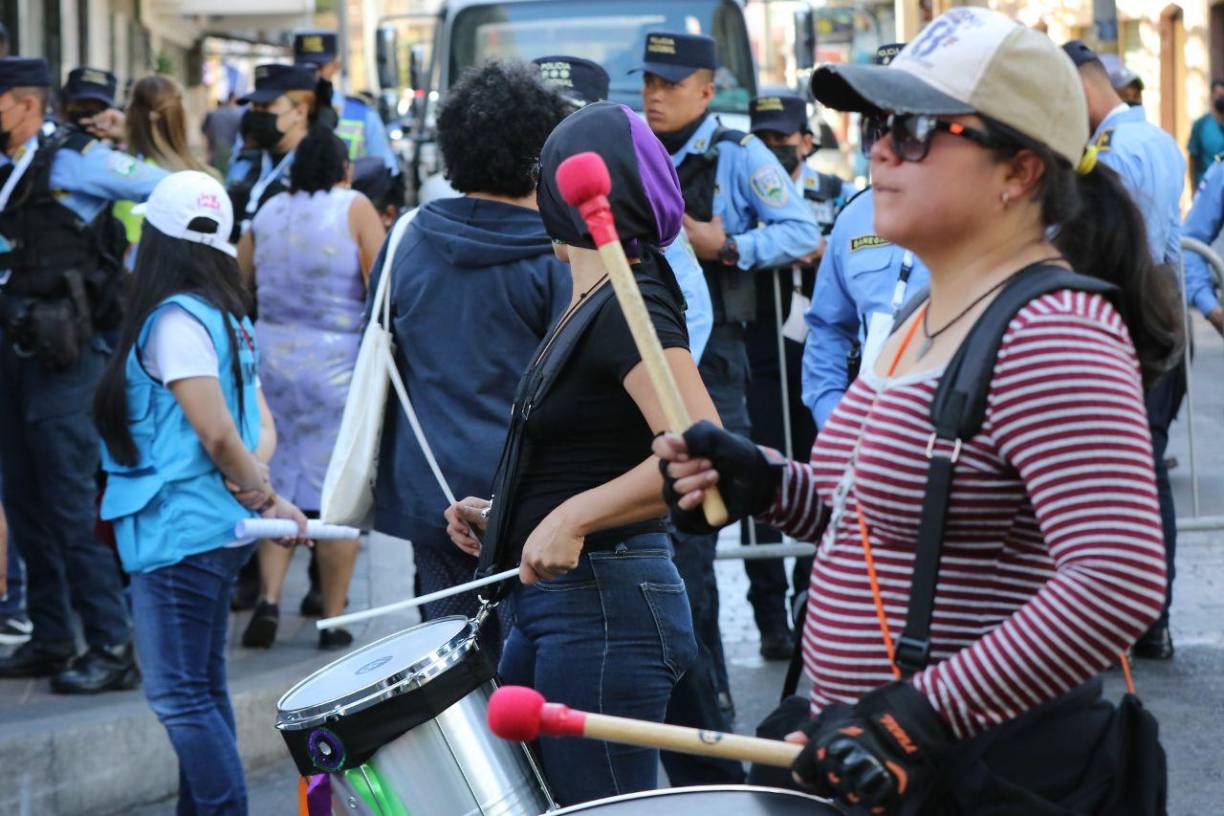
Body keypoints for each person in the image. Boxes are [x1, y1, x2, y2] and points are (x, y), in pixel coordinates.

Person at [656, 10, 1174, 812]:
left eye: (919, 127)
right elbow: (863, 511)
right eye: (877, 123)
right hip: (876, 765)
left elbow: (1117, 580)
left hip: (977, 775)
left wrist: (914, 720)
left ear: (1020, 172)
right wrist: (763, 482)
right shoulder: (925, 314)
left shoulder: (1052, 329)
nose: (880, 147)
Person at [445, 99, 710, 807]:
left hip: (605, 608)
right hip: (561, 608)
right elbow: (593, 446)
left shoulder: (631, 297)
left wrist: (576, 518)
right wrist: (508, 511)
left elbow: (705, 455)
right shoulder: (592, 297)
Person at [95, 170, 308, 816]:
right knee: (201, 688)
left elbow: (219, 434)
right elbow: (257, 429)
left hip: (178, 531)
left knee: (180, 696)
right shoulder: (226, 317)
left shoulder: (174, 320)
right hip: (209, 529)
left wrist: (256, 487)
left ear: (155, 242)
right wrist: (262, 492)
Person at [637, 32, 822, 775]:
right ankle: (693, 721)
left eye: (671, 83)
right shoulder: (635, 148)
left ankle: (710, 730)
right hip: (649, 367)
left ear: (708, 90)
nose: (655, 94)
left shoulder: (741, 155)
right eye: (648, 81)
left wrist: (726, 243)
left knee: (695, 545)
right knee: (668, 559)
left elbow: (801, 229)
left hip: (719, 369)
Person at [370, 61, 570, 642]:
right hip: (535, 503)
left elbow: (381, 348)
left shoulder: (406, 239)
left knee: (455, 663)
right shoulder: (557, 257)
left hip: (430, 493)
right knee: (535, 671)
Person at [0, 57, 166, 692]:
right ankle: (50, 636)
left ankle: (111, 645)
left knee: (70, 504)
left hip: (66, 358)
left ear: (23, 103)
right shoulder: (11, 164)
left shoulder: (78, 158)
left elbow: (170, 188)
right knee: (24, 498)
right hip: (13, 354)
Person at [236, 126, 386, 651]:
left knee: (277, 482)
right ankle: (335, 616)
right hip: (336, 365)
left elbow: (241, 278)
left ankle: (269, 601)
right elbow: (381, 283)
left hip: (274, 361)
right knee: (335, 491)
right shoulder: (355, 207)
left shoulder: (268, 211)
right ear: (343, 169)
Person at [1065, 39, 1187, 661]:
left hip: (1122, 316)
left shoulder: (1110, 151)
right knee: (1146, 467)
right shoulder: (1161, 140)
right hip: (1157, 316)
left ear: (1083, 87)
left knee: (1117, 476)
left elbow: (1104, 246)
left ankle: (1129, 619)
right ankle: (1151, 617)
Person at [741, 92, 852, 660]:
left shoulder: (835, 193)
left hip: (822, 364)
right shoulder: (747, 195)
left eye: (783, 139)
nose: (774, 149)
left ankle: (813, 603)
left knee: (823, 477)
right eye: (763, 138)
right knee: (760, 480)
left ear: (807, 142)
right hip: (760, 358)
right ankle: (769, 616)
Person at [533, 53, 714, 362]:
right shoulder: (508, 191)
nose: (554, 130)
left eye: (568, 117)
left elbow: (690, 306)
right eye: (541, 116)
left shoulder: (626, 204)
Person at [801, 43, 931, 431]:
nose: (880, 150)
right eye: (874, 128)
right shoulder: (854, 216)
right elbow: (827, 327)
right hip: (865, 442)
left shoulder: (989, 220)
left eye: (905, 128)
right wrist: (833, 420)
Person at [293, 30, 399, 179]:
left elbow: (386, 169)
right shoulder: (287, 111)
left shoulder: (362, 114)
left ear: (335, 65)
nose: (312, 74)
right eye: (305, 68)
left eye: (319, 67)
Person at [226, 63, 316, 239]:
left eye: (266, 106)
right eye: (255, 107)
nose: (257, 114)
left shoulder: (317, 165)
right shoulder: (247, 156)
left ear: (300, 112)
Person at [1188, 79, 1224, 189]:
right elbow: (1192, 158)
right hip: (1206, 187)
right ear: (1211, 96)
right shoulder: (1201, 124)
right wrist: (1194, 189)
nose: (1221, 98)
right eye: (1218, 95)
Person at [202, 92, 244, 176]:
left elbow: (206, 132)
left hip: (216, 150)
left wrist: (208, 151)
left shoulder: (215, 113)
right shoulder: (239, 115)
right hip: (232, 151)